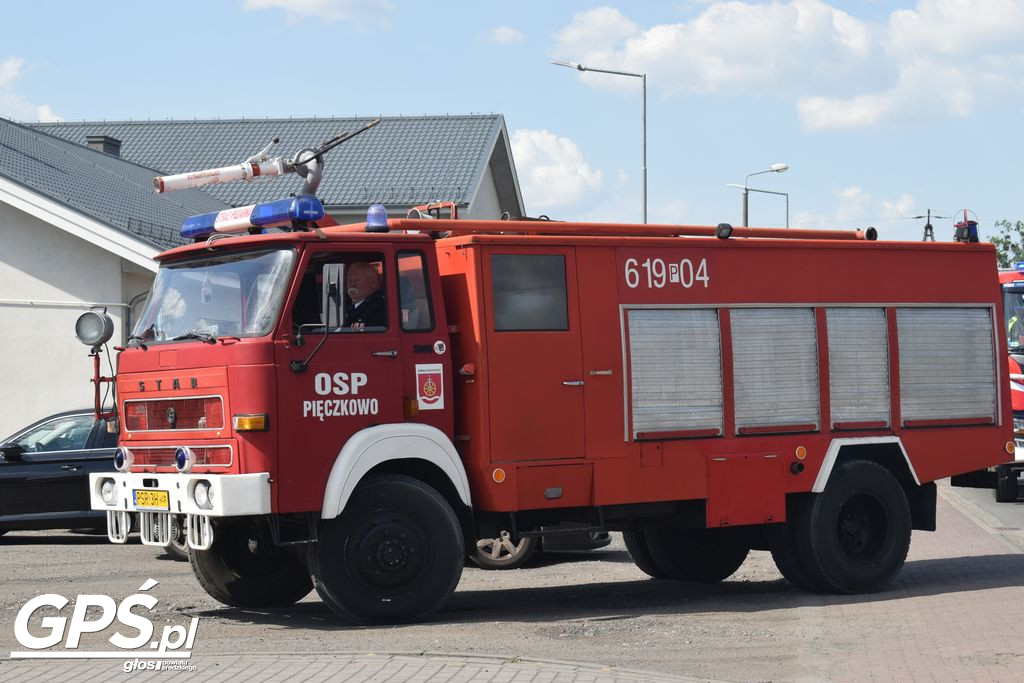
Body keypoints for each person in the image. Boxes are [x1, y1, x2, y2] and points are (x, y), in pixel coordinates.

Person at [346, 261, 386, 329]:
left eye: (357, 280)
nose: (352, 285)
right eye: (349, 280)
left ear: (373, 283)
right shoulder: (347, 306)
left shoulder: (378, 308)